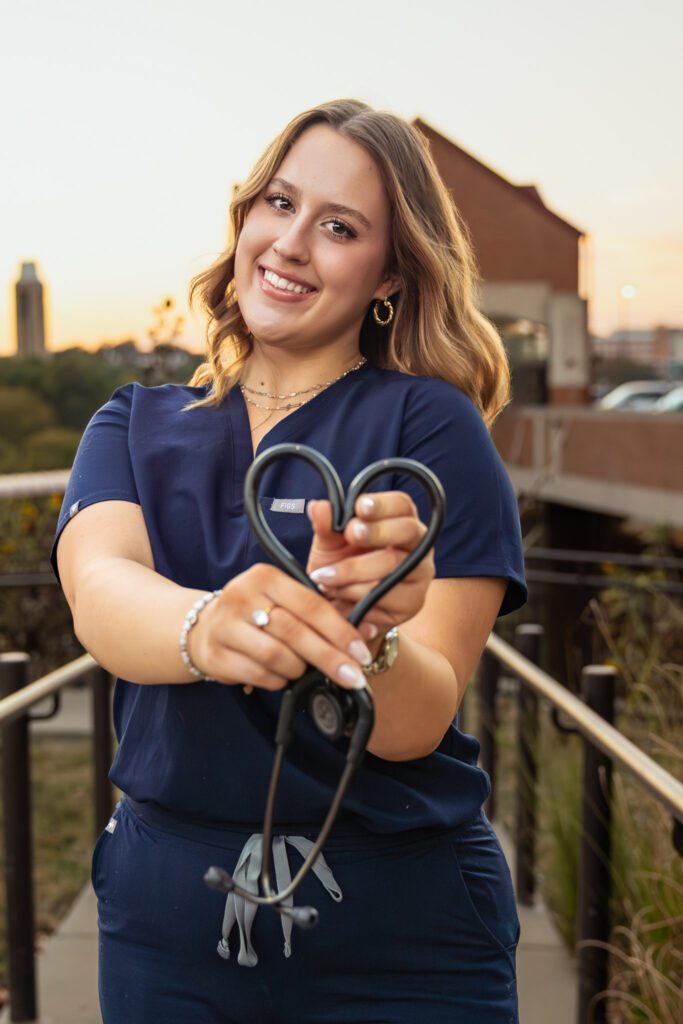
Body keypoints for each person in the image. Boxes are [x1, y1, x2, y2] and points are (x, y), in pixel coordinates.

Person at [52, 99, 527, 1024]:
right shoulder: (133, 424)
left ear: (389, 272)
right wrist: (208, 624)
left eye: (339, 227)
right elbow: (101, 594)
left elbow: (416, 721)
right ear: (243, 219)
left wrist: (370, 636)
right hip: (169, 933)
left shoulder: (431, 428)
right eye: (278, 202)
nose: (292, 243)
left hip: (404, 938)